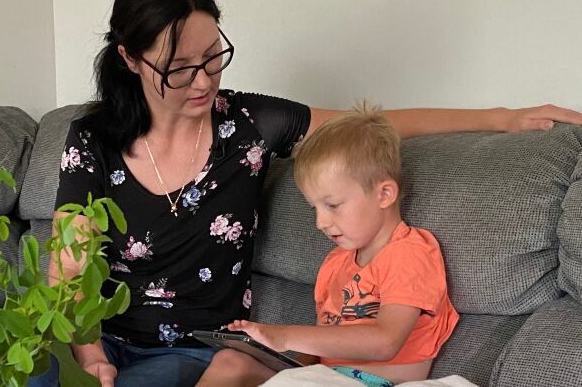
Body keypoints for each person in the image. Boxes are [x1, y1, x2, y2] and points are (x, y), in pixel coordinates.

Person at [35, 0, 582, 387]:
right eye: (180, 67)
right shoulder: (94, 139)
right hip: (98, 340)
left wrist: (502, 118)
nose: (203, 80)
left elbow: (371, 124)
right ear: (131, 59)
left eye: (214, 57)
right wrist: (89, 354)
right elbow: (69, 264)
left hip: (191, 349)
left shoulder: (248, 124)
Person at [196, 104, 459, 387]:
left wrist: (285, 336)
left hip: (377, 382)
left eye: (332, 205)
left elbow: (386, 342)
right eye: (315, 209)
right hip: (326, 377)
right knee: (230, 363)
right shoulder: (336, 262)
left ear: (384, 194)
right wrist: (282, 359)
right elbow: (323, 347)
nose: (320, 222)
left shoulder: (409, 253)